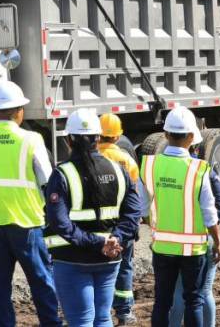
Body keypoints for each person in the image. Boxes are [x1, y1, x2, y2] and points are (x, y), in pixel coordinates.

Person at [0, 81, 61, 327]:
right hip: (26, 222)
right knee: (41, 282)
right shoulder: (30, 139)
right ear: (19, 111)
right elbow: (48, 182)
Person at [44, 109, 141, 327]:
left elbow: (60, 223)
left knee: (81, 321)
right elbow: (133, 213)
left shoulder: (62, 174)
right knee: (103, 317)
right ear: (98, 138)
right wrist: (114, 239)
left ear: (69, 139)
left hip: (72, 259)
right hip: (109, 258)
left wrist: (97, 242)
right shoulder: (118, 170)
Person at [139, 106, 220, 327]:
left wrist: (156, 225)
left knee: (162, 302)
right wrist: (218, 242)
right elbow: (209, 212)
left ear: (165, 135)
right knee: (193, 300)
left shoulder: (149, 165)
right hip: (193, 250)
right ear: (191, 137)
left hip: (162, 247)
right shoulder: (199, 169)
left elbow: (141, 208)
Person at [168, 130, 220, 327]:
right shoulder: (203, 170)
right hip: (201, 239)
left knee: (177, 293)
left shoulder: (162, 167)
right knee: (203, 291)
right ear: (195, 144)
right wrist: (212, 230)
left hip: (171, 240)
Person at [97, 113, 141, 325]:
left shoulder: (92, 157)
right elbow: (134, 196)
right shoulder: (127, 160)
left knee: (98, 268)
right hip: (122, 225)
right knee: (124, 266)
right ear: (117, 136)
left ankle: (99, 311)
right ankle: (124, 312)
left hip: (97, 224)